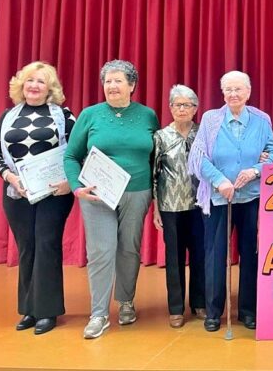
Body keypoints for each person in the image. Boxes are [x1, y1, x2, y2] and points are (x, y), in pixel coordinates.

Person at [64, 60, 159, 339]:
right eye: (107, 81)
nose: (112, 86)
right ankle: (99, 314)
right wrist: (75, 187)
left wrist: (156, 195)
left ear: (132, 85)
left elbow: (155, 157)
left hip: (137, 191)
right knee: (101, 251)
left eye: (118, 81)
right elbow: (71, 156)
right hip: (96, 194)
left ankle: (126, 301)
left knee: (129, 249)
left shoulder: (147, 116)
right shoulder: (90, 115)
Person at [188, 71, 273, 332]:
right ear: (222, 93)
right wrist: (220, 181)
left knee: (250, 253)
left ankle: (248, 310)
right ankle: (214, 311)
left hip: (251, 197)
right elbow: (199, 157)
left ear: (248, 92)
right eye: (228, 89)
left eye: (238, 89)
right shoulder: (211, 119)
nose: (233, 94)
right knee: (215, 255)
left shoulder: (261, 119)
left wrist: (255, 171)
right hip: (219, 198)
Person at [0, 61, 75, 335]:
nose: (34, 86)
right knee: (27, 247)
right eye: (29, 81)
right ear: (21, 85)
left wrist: (68, 183)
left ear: (50, 88)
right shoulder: (7, 117)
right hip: (17, 194)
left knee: (46, 244)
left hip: (54, 193)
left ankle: (47, 311)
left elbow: (77, 152)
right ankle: (29, 309)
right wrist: (11, 179)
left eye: (40, 81)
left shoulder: (63, 115)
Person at [152, 84, 206, 328]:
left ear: (195, 108)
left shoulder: (202, 133)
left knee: (200, 255)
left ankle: (199, 302)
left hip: (199, 204)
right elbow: (153, 175)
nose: (182, 109)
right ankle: (175, 307)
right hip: (170, 204)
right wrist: (155, 209)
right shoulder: (161, 136)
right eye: (177, 105)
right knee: (174, 257)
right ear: (170, 108)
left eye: (187, 105)